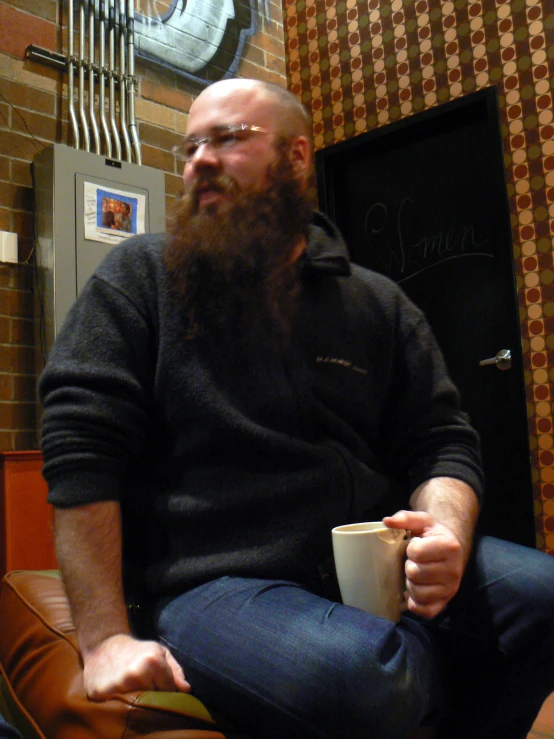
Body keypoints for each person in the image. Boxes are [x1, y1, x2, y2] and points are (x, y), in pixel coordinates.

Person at [39, 78, 554, 739]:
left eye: (228, 138)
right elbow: (81, 445)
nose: (199, 158)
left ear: (298, 155)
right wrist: (105, 636)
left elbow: (443, 440)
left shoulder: (378, 303)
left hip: (373, 563)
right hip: (214, 585)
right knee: (370, 677)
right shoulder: (140, 275)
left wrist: (442, 529)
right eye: (191, 144)